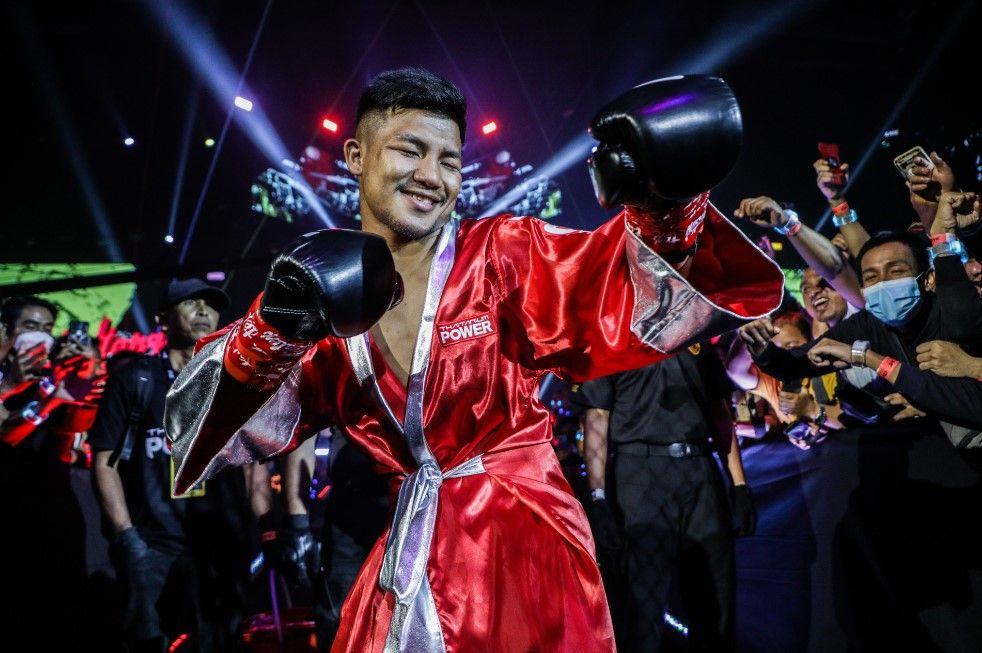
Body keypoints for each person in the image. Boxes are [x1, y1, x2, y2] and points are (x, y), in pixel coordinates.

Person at [166, 69, 784, 652]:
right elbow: (201, 430)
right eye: (411, 151)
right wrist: (269, 330)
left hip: (523, 546)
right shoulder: (325, 294)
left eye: (450, 160)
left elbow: (622, 288)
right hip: (407, 551)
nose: (432, 176)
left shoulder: (502, 255)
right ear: (355, 157)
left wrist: (667, 206)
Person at [90, 279, 253, 651]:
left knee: (222, 641)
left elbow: (251, 461)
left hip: (219, 543)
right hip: (153, 544)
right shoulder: (136, 378)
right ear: (162, 318)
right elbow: (104, 462)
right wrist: (127, 537)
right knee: (148, 641)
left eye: (210, 305)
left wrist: (257, 528)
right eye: (190, 303)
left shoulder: (234, 380)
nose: (202, 311)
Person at [579, 341, 754, 651]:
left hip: (700, 469)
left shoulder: (693, 334)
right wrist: (598, 496)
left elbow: (720, 412)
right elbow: (597, 417)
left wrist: (738, 485)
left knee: (716, 604)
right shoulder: (610, 337)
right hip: (639, 474)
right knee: (644, 610)